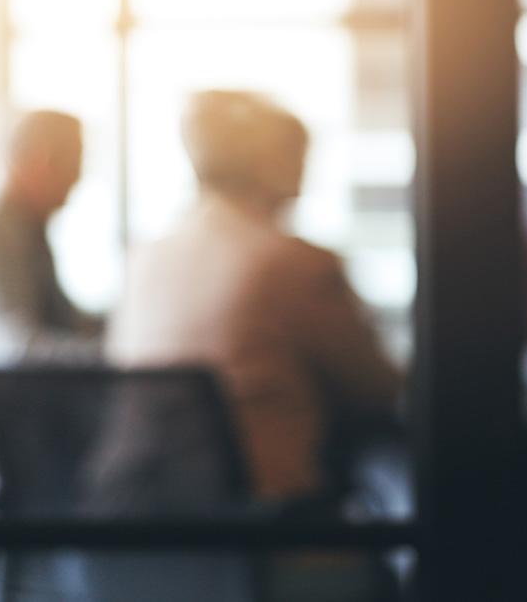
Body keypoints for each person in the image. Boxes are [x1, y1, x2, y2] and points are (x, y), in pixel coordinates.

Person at [106, 90, 402, 501]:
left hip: (141, 510)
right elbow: (377, 387)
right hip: (269, 509)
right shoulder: (295, 263)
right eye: (298, 156)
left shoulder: (145, 259)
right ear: (271, 164)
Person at [0, 110, 101, 364]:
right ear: (42, 161)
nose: (78, 178)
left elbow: (67, 321)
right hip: (11, 390)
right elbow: (14, 349)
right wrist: (110, 355)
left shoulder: (31, 232)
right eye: (75, 161)